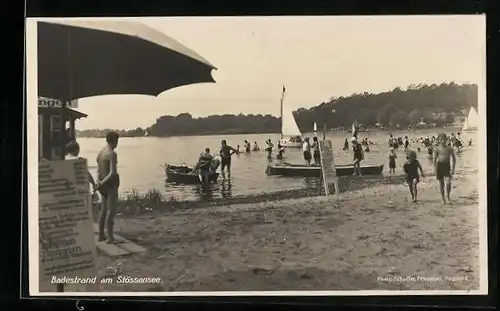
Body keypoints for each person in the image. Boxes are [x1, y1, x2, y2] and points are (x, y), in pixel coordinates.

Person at [95, 131, 120, 244]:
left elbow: (98, 170)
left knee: (103, 210)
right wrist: (103, 183)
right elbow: (113, 173)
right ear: (114, 141)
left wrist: (98, 182)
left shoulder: (101, 152)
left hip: (101, 184)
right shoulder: (112, 154)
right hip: (110, 185)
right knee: (111, 211)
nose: (117, 144)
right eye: (116, 141)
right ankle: (110, 237)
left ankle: (101, 235)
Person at [434, 133, 456, 204]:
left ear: (446, 139)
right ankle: (443, 198)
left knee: (448, 182)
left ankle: (448, 197)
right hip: (439, 166)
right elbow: (434, 160)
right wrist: (435, 170)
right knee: (441, 184)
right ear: (439, 140)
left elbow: (454, 159)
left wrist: (453, 169)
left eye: (443, 139)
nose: (442, 140)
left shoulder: (449, 148)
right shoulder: (437, 149)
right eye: (441, 139)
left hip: (447, 166)